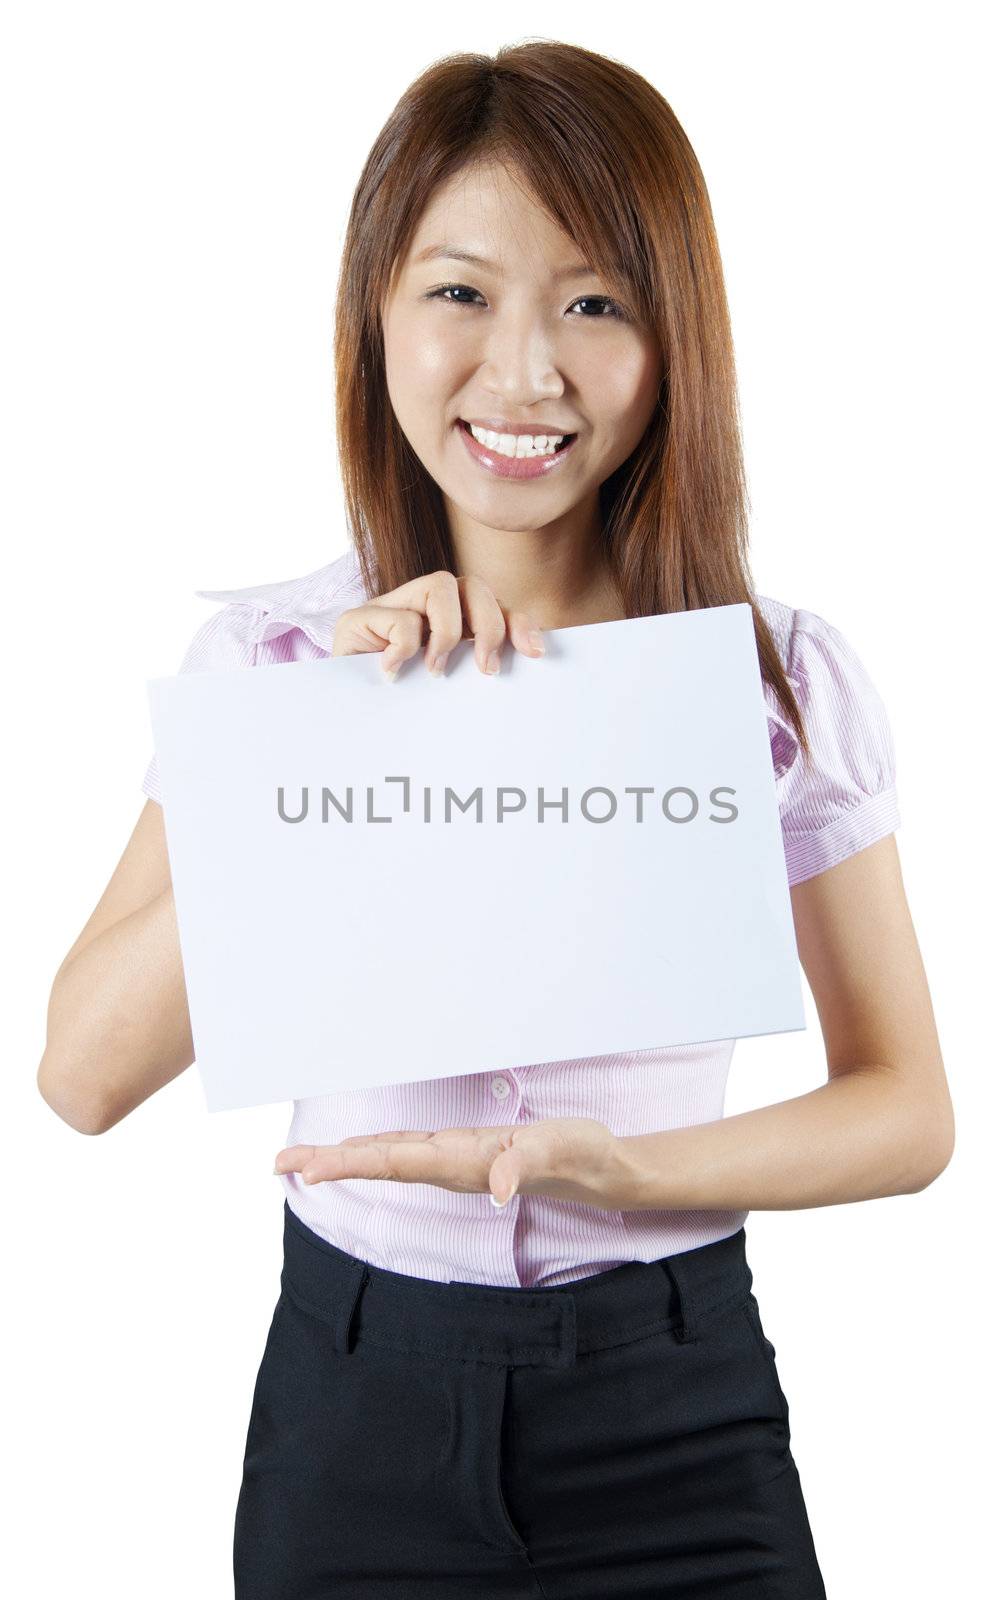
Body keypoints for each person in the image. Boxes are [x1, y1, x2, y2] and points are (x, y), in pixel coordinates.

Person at [38, 39, 954, 1599]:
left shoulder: (769, 676)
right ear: (375, 319)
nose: (524, 373)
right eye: (460, 293)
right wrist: (324, 757)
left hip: (674, 1399)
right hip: (357, 1395)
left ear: (673, 342)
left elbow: (908, 1106)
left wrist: (634, 1173)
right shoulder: (275, 663)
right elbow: (81, 1074)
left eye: (594, 303)